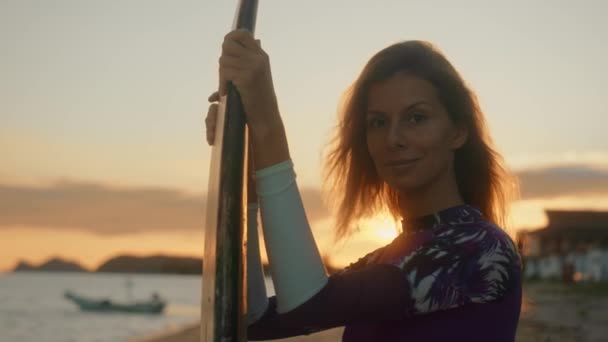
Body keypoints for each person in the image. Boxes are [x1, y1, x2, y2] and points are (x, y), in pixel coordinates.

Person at [204, 29, 522, 342]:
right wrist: (245, 175)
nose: (393, 139)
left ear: (457, 132)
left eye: (417, 118)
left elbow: (310, 305)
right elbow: (253, 322)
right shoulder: (391, 258)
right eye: (378, 123)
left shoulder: (482, 249)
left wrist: (266, 121)